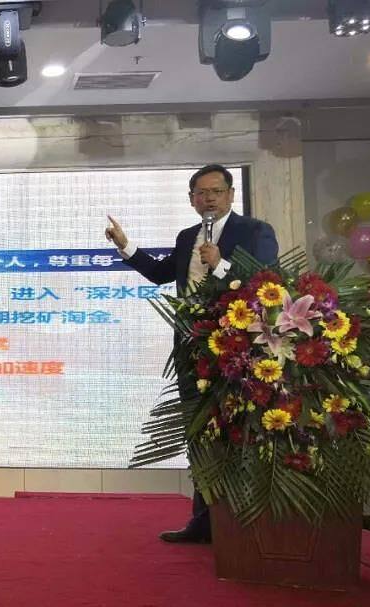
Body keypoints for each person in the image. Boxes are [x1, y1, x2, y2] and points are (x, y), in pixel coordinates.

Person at [104, 164, 279, 543]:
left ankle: (243, 522)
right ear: (191, 199)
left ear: (231, 194)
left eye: (216, 191)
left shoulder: (255, 231)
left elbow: (267, 282)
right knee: (199, 433)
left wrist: (221, 265)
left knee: (239, 431)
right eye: (201, 193)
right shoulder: (187, 237)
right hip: (191, 347)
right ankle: (204, 521)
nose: (208, 198)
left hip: (240, 349)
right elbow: (161, 274)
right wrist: (125, 246)